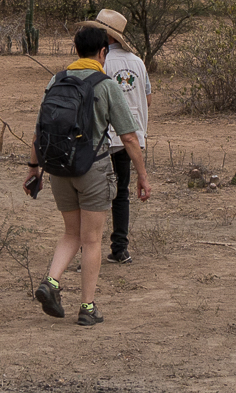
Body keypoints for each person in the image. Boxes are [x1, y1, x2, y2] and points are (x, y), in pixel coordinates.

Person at [28, 23, 151, 326]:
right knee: (92, 239)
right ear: (103, 52)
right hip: (93, 168)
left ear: (76, 50)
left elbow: (40, 128)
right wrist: (142, 175)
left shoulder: (57, 79)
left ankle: (51, 282)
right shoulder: (106, 84)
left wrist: (33, 168)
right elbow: (130, 137)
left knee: (71, 233)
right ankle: (87, 307)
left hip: (59, 168)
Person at [90, 9, 150, 266]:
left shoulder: (102, 63)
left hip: (104, 136)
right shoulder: (138, 62)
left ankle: (88, 252)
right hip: (131, 136)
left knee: (94, 195)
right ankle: (120, 248)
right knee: (122, 192)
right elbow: (147, 98)